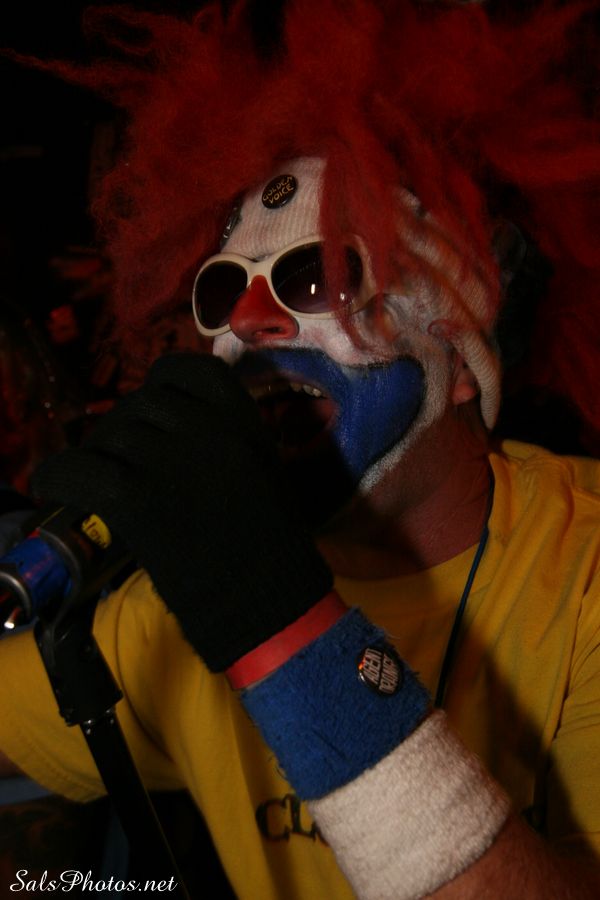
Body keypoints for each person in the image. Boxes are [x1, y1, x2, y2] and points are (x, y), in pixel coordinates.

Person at [1, 0, 599, 897]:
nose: (248, 320)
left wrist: (277, 627)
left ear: (458, 348)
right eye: (221, 290)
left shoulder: (586, 574)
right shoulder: (179, 603)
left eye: (315, 276)